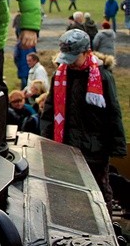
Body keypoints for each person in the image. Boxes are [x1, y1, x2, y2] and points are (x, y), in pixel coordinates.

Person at [40, 29, 126, 215]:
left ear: (87, 52)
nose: (69, 63)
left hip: (94, 149)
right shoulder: (60, 76)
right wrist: (45, 140)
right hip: (66, 146)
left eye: (74, 58)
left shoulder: (102, 77)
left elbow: (113, 112)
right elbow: (50, 110)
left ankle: (106, 226)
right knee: (70, 191)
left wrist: (116, 145)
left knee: (100, 191)